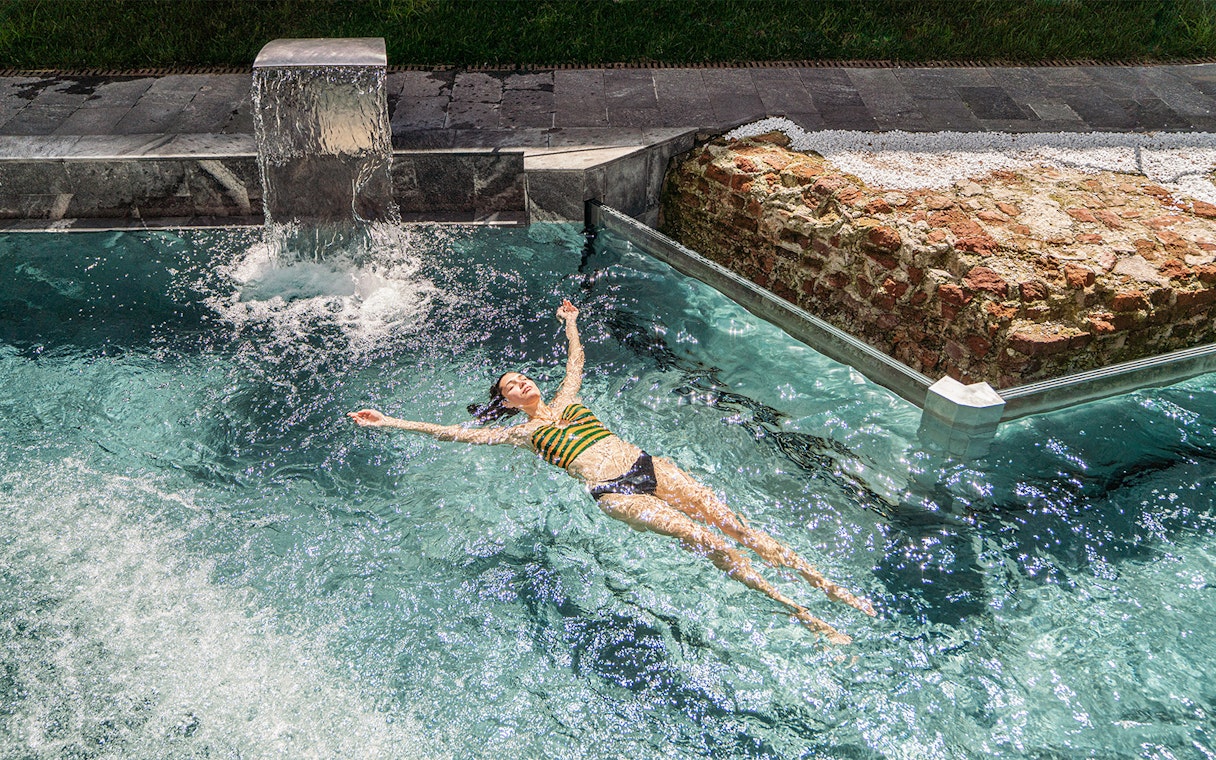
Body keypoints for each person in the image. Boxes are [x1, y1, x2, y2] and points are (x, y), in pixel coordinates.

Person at [349, 299, 875, 643]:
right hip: (612, 490)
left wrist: (571, 324)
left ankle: (826, 586)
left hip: (647, 464)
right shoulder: (517, 432)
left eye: (523, 377)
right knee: (706, 540)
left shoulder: (566, 396)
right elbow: (454, 433)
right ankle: (800, 611)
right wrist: (391, 421)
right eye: (511, 385)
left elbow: (576, 363)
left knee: (736, 526)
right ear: (506, 403)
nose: (522, 383)